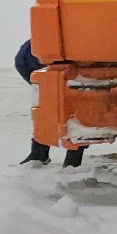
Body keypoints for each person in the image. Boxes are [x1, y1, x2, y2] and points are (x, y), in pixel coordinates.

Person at [15, 39, 83, 167]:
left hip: (62, 60)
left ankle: (44, 154)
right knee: (66, 107)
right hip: (39, 63)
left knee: (74, 107)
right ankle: (42, 153)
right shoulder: (31, 55)